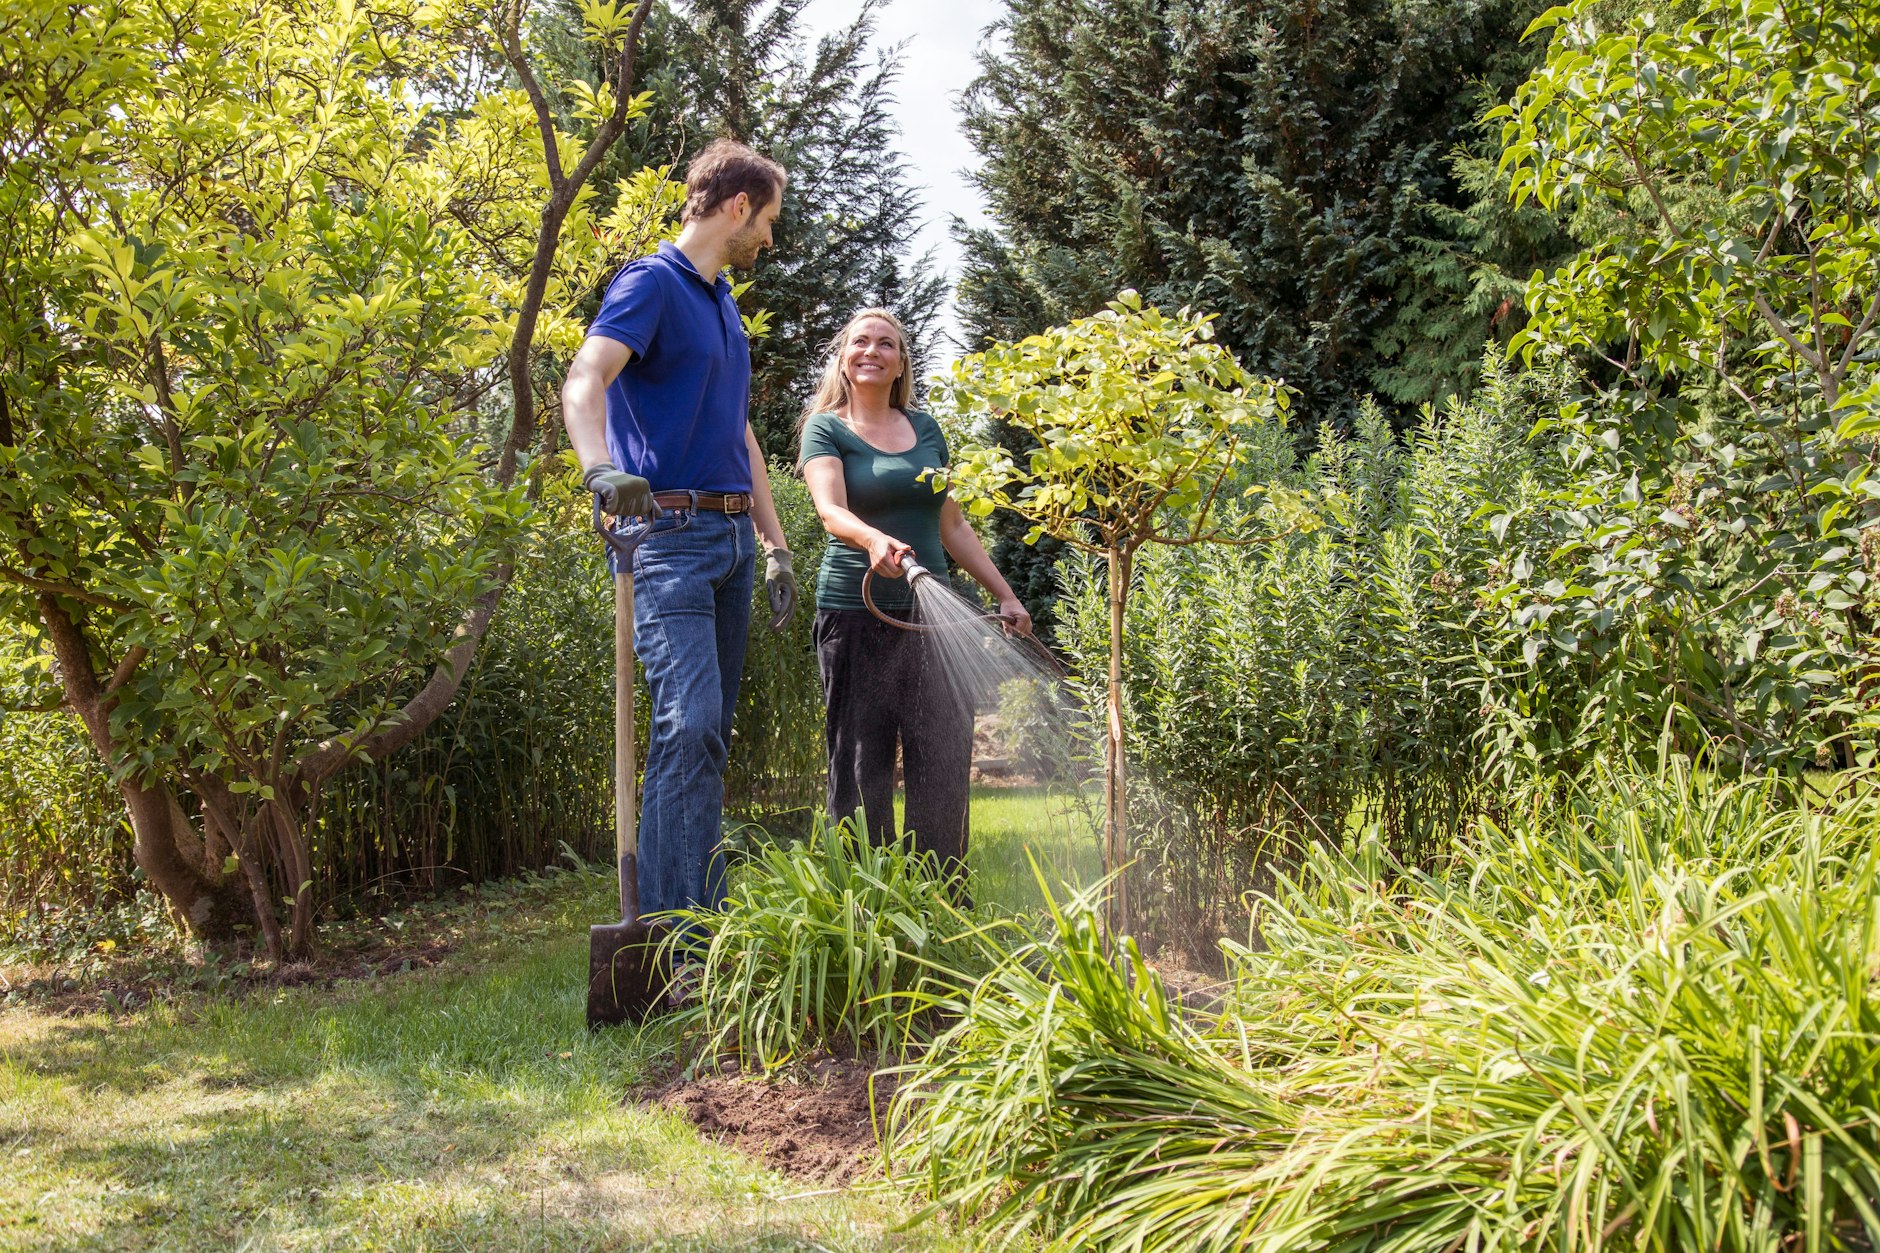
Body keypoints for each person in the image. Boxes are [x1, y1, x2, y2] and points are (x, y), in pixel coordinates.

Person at [560, 138, 798, 928]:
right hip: (665, 538)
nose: (770, 237)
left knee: (703, 740)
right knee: (687, 723)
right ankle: (671, 932)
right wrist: (600, 471)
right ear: (737, 207)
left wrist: (774, 545)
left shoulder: (722, 300)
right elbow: (586, 379)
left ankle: (699, 923)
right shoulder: (651, 283)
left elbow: (744, 437)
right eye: (767, 220)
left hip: (730, 543)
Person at [797, 309, 1031, 879]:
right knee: (861, 765)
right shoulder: (827, 428)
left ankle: (941, 900)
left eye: (886, 344)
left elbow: (952, 526)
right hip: (856, 616)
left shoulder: (927, 431)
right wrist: (875, 539)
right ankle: (865, 904)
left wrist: (1005, 595)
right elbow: (831, 511)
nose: (872, 351)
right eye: (860, 342)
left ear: (901, 362)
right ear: (844, 358)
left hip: (934, 623)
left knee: (943, 761)